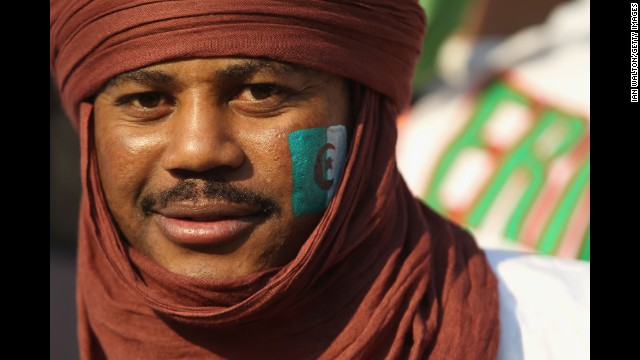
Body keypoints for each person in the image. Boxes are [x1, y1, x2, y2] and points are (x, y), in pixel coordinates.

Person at [50, 1, 587, 359]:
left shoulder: (562, 331)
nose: (197, 152)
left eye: (262, 92)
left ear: (365, 122)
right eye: (147, 101)